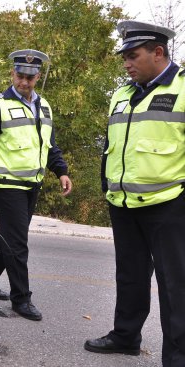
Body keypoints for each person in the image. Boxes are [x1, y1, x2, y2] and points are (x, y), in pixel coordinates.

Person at [84, 20, 185, 366]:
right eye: (124, 57)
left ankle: (178, 356)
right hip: (123, 203)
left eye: (132, 55)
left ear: (158, 53)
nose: (126, 64)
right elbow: (113, 147)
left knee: (176, 286)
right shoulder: (122, 94)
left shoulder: (183, 89)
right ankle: (125, 336)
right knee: (129, 275)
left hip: (170, 204)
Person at [0, 49, 72, 321]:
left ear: (37, 77)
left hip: (31, 185)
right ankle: (21, 299)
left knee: (10, 239)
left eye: (30, 77)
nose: (24, 81)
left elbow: (48, 145)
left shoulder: (44, 106)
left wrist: (60, 170)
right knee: (17, 243)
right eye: (20, 75)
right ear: (12, 74)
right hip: (6, 184)